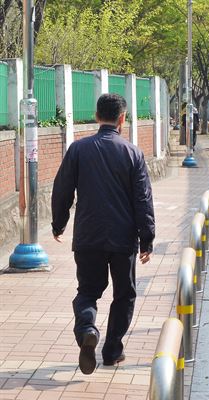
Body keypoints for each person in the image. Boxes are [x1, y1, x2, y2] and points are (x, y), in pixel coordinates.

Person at [51, 93, 155, 375]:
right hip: (123, 240)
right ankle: (111, 351)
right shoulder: (133, 153)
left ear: (97, 117)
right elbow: (142, 199)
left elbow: (62, 190)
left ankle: (87, 328)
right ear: (122, 119)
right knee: (125, 294)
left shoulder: (78, 149)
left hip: (88, 237)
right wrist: (147, 238)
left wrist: (58, 224)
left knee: (87, 291)